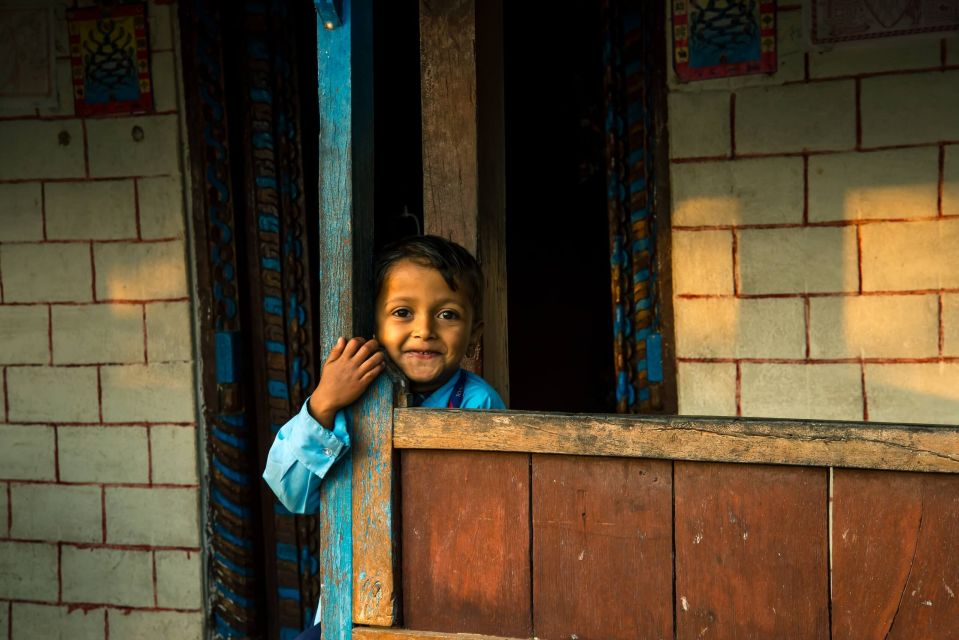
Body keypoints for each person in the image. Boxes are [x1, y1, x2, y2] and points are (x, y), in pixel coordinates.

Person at [262, 235, 506, 637]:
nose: (424, 330)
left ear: (474, 334)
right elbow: (291, 494)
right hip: (353, 601)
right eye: (403, 312)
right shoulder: (353, 395)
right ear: (374, 324)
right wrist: (324, 402)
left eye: (447, 314)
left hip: (446, 600)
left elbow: (491, 518)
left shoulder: (479, 403)